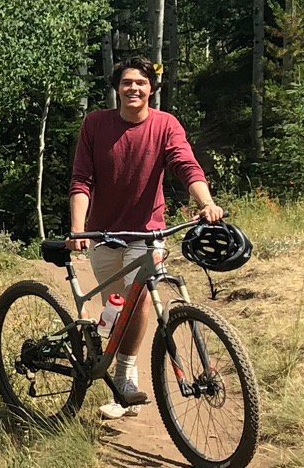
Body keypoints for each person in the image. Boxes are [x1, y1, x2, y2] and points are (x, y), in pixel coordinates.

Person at [68, 57, 224, 416]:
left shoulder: (165, 125)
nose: (133, 88)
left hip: (148, 232)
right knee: (117, 306)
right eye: (126, 83)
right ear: (117, 89)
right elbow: (82, 180)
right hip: (104, 233)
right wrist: (78, 229)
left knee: (138, 300)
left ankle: (126, 380)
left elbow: (187, 165)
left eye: (141, 82)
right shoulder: (95, 125)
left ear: (152, 89)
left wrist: (208, 204)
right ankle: (106, 354)